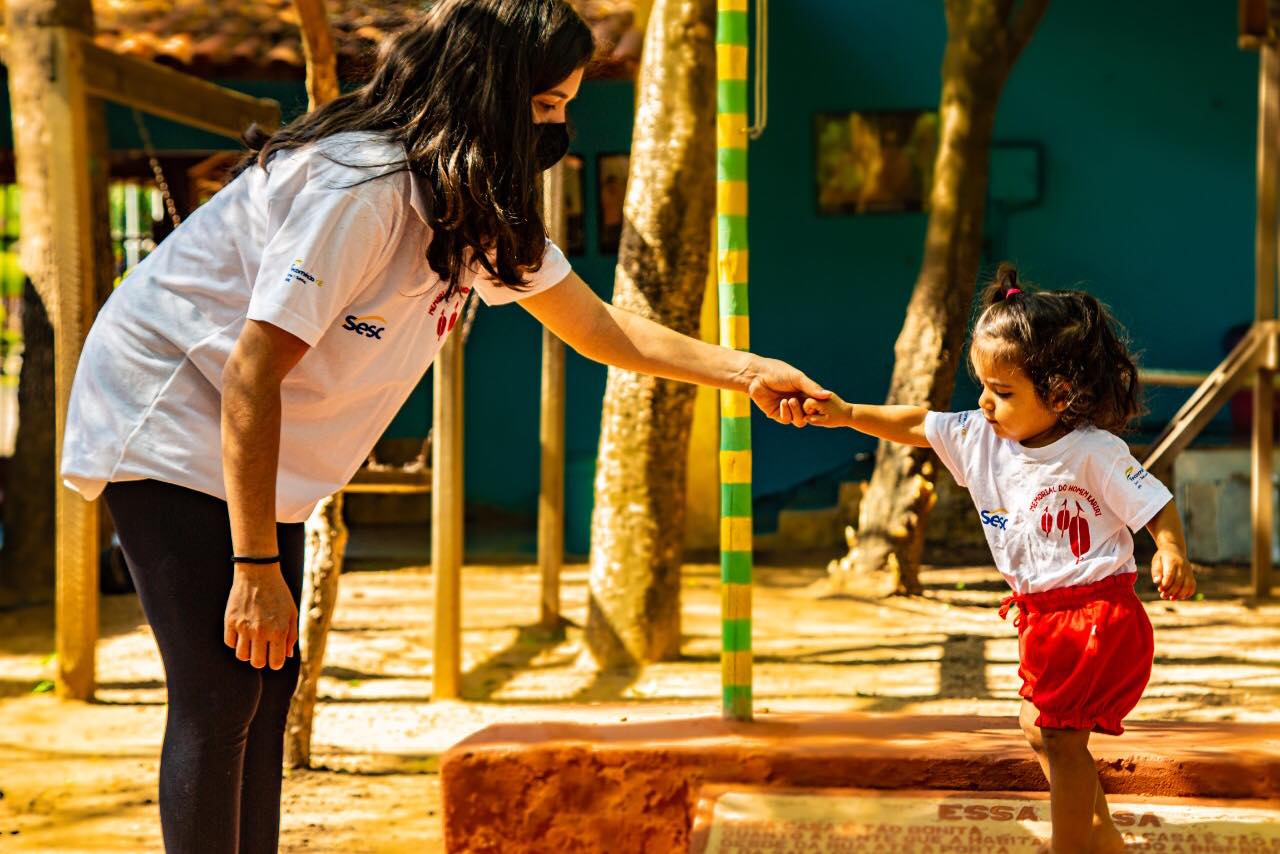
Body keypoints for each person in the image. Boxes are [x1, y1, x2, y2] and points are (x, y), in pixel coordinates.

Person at [59, 2, 827, 851]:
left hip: (256, 438)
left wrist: (747, 371)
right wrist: (254, 564)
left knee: (266, 684)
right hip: (169, 407)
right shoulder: (363, 187)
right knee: (221, 689)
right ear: (490, 94)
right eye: (545, 106)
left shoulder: (469, 202)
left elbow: (600, 330)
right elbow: (250, 372)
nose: (557, 128)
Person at [801, 264, 1195, 854]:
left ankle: (1072, 846)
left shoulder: (1094, 452)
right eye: (982, 386)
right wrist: (848, 413)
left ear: (1060, 394)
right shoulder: (981, 437)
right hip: (1041, 617)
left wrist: (1171, 550)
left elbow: (1154, 503)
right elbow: (918, 423)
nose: (985, 403)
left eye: (1004, 393)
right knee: (1038, 730)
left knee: (1061, 739)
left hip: (1094, 618)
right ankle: (1102, 838)